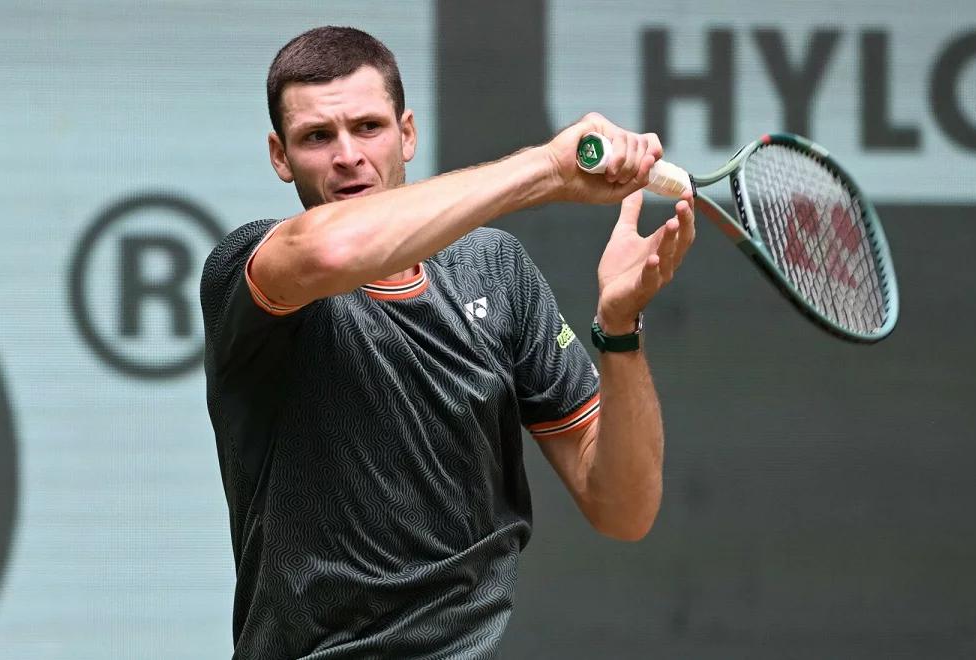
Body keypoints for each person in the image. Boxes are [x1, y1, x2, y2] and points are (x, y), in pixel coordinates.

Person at [201, 25, 695, 659]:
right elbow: (331, 246)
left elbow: (624, 509)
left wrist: (619, 330)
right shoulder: (249, 269)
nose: (347, 154)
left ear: (407, 132)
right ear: (280, 155)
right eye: (317, 137)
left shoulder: (497, 272)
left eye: (369, 127)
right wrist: (547, 167)